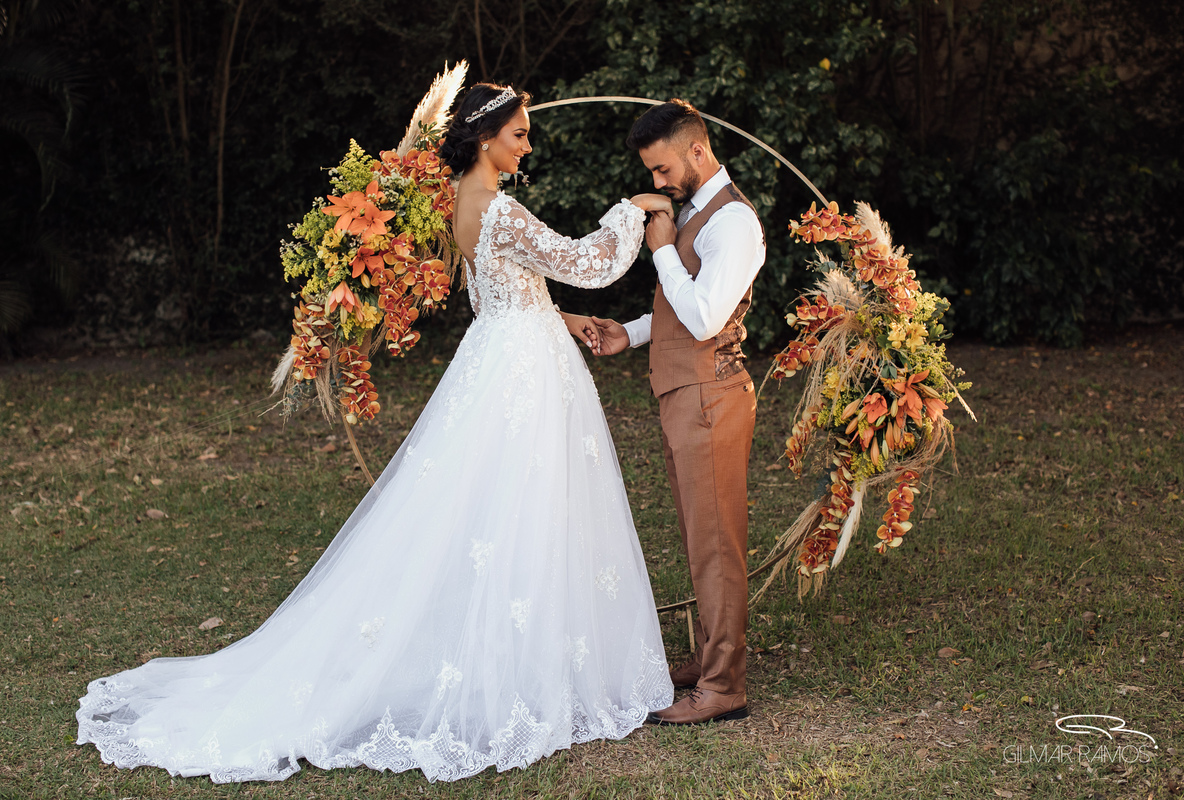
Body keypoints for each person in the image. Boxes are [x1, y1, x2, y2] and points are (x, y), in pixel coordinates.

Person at [75, 83, 674, 784]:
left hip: (509, 352)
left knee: (505, 512)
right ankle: (521, 672)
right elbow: (584, 263)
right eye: (518, 134)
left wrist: (557, 318)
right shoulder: (499, 207)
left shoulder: (460, 203)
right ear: (484, 139)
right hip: (523, 374)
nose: (528, 145)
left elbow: (505, 288)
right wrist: (632, 211)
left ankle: (526, 657)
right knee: (520, 508)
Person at [589, 98, 766, 726]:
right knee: (700, 537)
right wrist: (628, 334)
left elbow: (705, 318)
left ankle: (724, 688)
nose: (657, 185)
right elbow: (675, 314)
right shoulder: (696, 216)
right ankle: (709, 656)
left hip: (711, 399)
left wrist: (661, 246)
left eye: (662, 170)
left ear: (697, 150)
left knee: (718, 545)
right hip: (684, 396)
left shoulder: (733, 223)